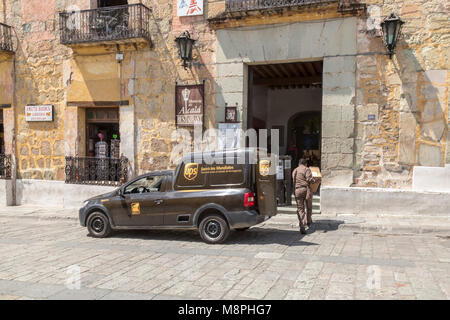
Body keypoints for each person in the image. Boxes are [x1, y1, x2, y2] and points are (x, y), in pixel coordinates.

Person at [292, 158, 315, 234]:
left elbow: (293, 181)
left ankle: (302, 225)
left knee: (300, 208)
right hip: (306, 190)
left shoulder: (295, 170)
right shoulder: (306, 169)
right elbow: (309, 179)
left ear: (299, 163)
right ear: (305, 163)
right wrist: (314, 180)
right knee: (309, 207)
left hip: (297, 190)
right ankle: (308, 221)